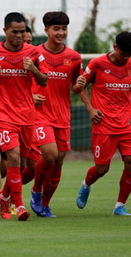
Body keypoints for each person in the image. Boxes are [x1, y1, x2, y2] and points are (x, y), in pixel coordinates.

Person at [0, 12, 48, 221]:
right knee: (14, 157)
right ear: (5, 31)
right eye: (14, 32)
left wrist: (34, 69)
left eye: (22, 31)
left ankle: (4, 195)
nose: (19, 35)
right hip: (3, 114)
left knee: (26, 164)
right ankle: (20, 206)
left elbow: (44, 81)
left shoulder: (34, 53)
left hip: (27, 115)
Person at [74, 31, 131, 216]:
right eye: (123, 53)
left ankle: (119, 205)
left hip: (126, 122)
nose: (126, 58)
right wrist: (90, 109)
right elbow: (79, 87)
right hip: (103, 123)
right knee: (102, 169)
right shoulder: (97, 64)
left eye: (130, 54)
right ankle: (86, 184)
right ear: (115, 48)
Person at [28, 12, 82, 218]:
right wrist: (31, 96)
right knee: (49, 155)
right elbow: (20, 82)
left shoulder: (74, 57)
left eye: (64, 29)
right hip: (40, 114)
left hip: (63, 116)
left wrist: (80, 85)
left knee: (58, 160)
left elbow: (76, 86)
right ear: (46, 30)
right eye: (56, 29)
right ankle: (36, 189)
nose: (61, 33)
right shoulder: (34, 54)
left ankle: (46, 204)